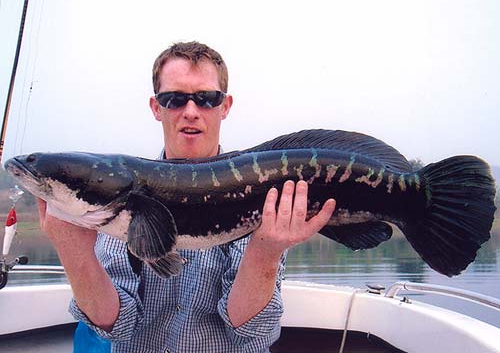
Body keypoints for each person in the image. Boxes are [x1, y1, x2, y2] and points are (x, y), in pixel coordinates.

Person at [37, 41, 336, 352]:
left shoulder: (264, 189)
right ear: (156, 107)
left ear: (226, 106)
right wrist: (74, 251)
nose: (191, 112)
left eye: (206, 99)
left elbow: (252, 334)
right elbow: (115, 326)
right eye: (174, 99)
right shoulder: (120, 199)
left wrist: (266, 252)